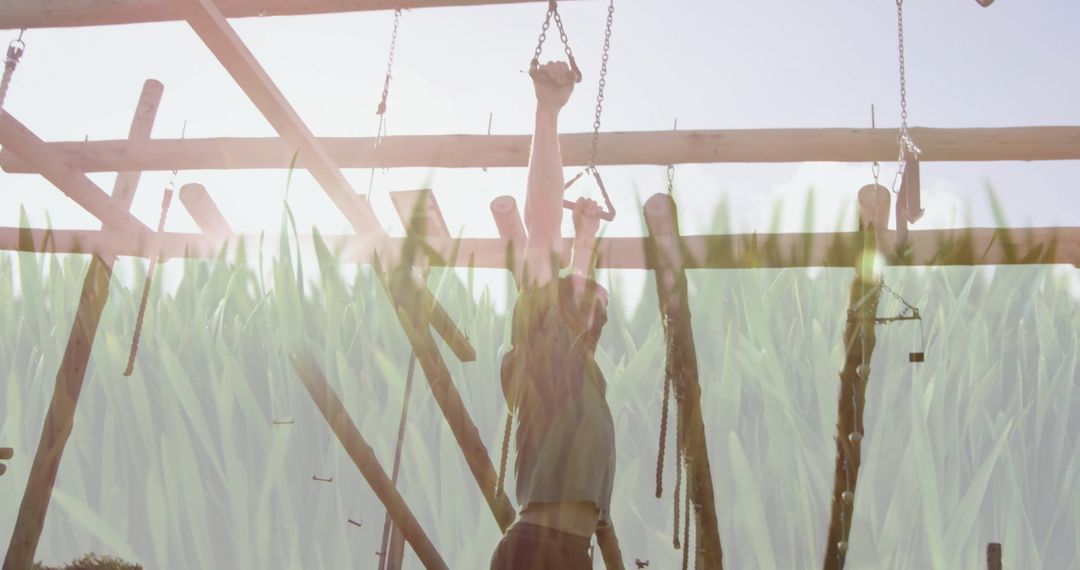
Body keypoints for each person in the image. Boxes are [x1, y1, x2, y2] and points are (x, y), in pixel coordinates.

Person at [489, 60, 618, 570]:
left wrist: (585, 238)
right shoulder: (548, 353)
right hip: (540, 553)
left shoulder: (566, 362)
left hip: (561, 554)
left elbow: (579, 301)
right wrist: (547, 114)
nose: (597, 301)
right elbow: (543, 228)